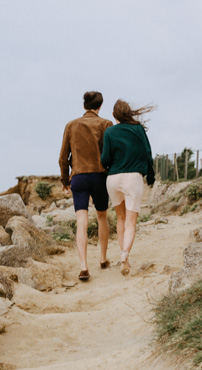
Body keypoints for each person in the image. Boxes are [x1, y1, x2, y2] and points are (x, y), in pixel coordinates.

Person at [59, 91, 114, 281]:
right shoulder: (106, 124)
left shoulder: (71, 125)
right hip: (100, 176)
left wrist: (65, 181)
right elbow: (110, 153)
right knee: (102, 217)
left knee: (81, 220)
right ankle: (103, 259)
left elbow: (63, 158)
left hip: (79, 177)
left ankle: (83, 267)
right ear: (100, 106)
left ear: (84, 106)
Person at [101, 99, 155, 276]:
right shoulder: (138, 130)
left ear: (114, 115)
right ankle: (125, 255)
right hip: (133, 177)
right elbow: (147, 153)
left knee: (120, 219)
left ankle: (125, 258)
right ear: (129, 113)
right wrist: (151, 176)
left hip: (113, 178)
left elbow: (105, 159)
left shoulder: (109, 132)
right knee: (131, 222)